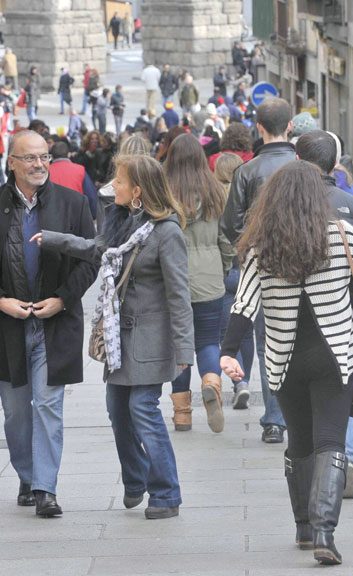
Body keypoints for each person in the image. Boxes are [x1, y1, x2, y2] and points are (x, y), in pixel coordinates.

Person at [222, 161, 353, 565]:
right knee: (330, 441)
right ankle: (326, 532)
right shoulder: (342, 234)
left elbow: (244, 304)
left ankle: (305, 527)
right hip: (336, 356)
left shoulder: (260, 244)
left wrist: (227, 351)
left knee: (300, 443)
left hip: (284, 360)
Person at [32, 154, 191, 519]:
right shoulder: (126, 223)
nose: (111, 188)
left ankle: (166, 493)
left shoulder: (167, 232)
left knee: (141, 408)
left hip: (151, 339)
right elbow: (96, 248)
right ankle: (136, 478)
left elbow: (180, 296)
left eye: (118, 182)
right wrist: (54, 240)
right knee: (117, 410)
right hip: (120, 338)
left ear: (137, 191)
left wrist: (185, 349)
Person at [0, 131, 98, 518]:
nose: (39, 164)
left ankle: (45, 488)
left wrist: (63, 300)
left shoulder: (73, 205)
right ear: (12, 163)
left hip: (54, 325)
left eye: (44, 157)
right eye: (30, 158)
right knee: (16, 412)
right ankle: (27, 473)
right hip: (9, 325)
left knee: (49, 407)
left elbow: (91, 259)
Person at [295, 130, 353, 498]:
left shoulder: (283, 206)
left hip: (296, 324)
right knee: (351, 389)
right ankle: (345, 458)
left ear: (297, 161)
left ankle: (311, 459)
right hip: (347, 319)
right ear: (336, 164)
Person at [220, 97, 296, 444]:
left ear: (259, 128)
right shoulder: (303, 164)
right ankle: (298, 412)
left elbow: (231, 224)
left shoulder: (247, 171)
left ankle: (274, 419)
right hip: (308, 263)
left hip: (264, 266)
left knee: (269, 344)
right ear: (290, 127)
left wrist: (250, 247)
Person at [163, 134, 234, 432]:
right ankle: (211, 383)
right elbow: (226, 239)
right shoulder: (215, 190)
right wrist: (223, 267)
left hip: (172, 280)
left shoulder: (163, 192)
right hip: (210, 279)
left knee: (178, 346)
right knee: (207, 341)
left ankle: (182, 414)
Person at [49, 139, 100, 220]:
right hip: (76, 217)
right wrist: (94, 216)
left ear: (51, 156)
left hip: (52, 217)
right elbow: (91, 196)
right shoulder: (80, 170)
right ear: (68, 154)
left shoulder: (46, 172)